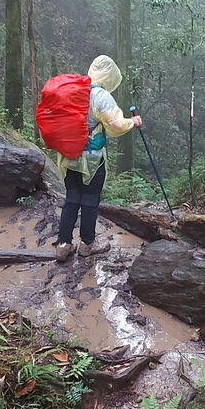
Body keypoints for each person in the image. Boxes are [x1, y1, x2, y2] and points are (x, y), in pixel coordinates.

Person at [55, 55, 142, 262]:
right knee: (90, 200)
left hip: (68, 156)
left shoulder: (73, 90)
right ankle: (86, 245)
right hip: (92, 160)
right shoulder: (100, 96)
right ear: (108, 75)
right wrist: (133, 122)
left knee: (71, 199)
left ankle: (63, 245)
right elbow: (117, 124)